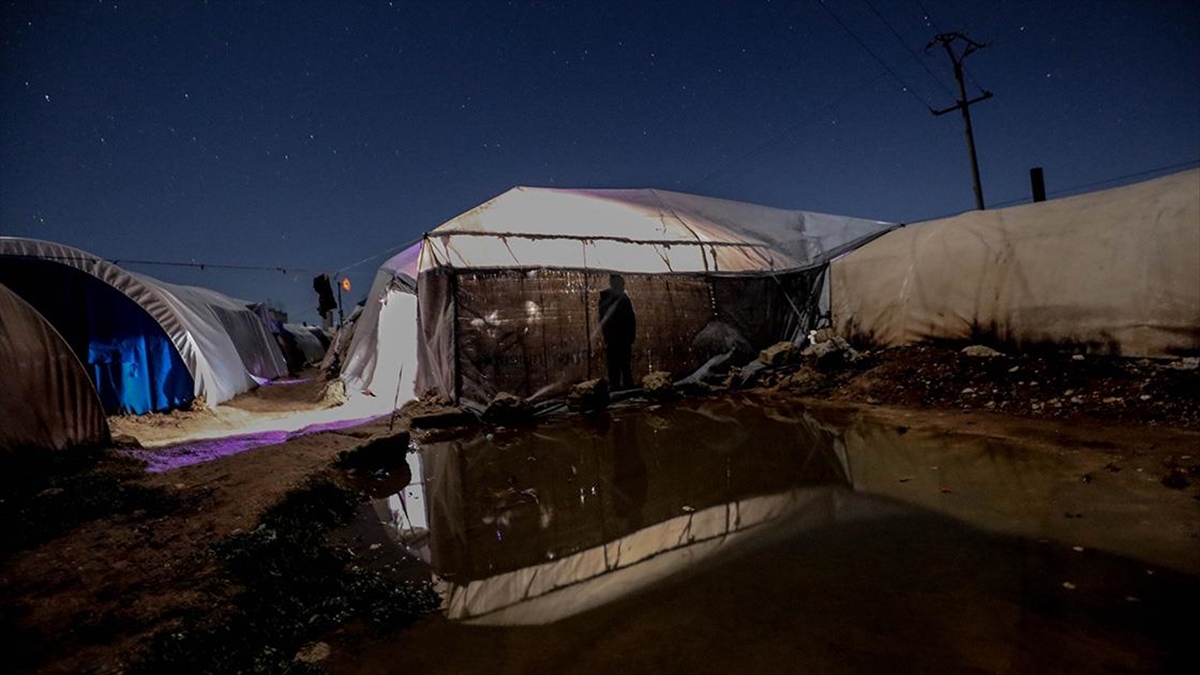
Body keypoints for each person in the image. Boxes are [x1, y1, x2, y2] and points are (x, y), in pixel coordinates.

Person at [598, 273, 636, 390]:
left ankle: (619, 387)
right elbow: (631, 319)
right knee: (622, 366)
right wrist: (630, 336)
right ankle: (623, 388)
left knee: (617, 366)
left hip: (615, 340)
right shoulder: (621, 299)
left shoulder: (607, 300)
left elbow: (602, 321)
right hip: (620, 339)